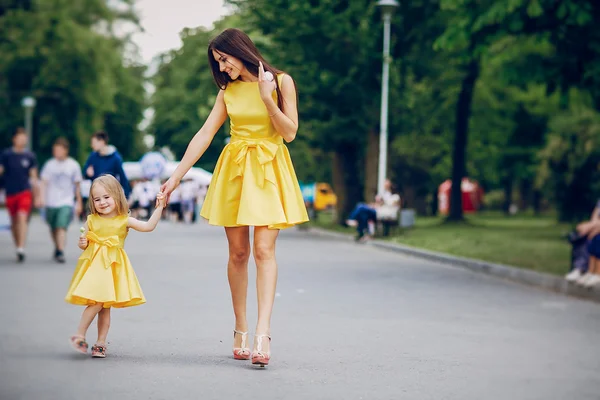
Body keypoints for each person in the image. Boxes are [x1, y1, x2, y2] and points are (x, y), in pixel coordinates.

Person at [160, 28, 308, 367]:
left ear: (240, 51)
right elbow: (205, 133)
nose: (223, 68)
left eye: (224, 59)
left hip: (270, 168)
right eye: (218, 63)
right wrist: (175, 178)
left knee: (263, 249)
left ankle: (262, 332)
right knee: (239, 252)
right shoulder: (227, 91)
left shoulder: (282, 81)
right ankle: (240, 327)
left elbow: (289, 133)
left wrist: (268, 97)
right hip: (237, 170)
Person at [65, 175, 165, 358]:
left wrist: (159, 208)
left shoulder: (124, 220)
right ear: (92, 202)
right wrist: (82, 242)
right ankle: (80, 334)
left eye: (106, 197)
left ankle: (101, 342)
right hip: (95, 267)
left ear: (117, 196)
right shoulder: (91, 220)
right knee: (97, 302)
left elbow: (148, 226)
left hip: (112, 267)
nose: (102, 202)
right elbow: (84, 244)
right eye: (97, 199)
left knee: (105, 306)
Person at [39, 137, 83, 263]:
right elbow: (43, 182)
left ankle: (60, 250)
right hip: (50, 201)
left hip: (66, 201)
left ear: (65, 150)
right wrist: (41, 197)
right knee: (53, 227)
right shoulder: (49, 165)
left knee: (61, 226)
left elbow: (77, 186)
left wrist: (78, 202)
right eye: (55, 150)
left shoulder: (73, 165)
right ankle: (57, 247)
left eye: (59, 150)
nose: (56, 152)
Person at [0, 128, 40, 262]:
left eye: (25, 137)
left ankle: (21, 248)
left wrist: (37, 194)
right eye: (20, 137)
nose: (23, 140)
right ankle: (17, 245)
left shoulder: (30, 156)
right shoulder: (6, 155)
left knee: (22, 217)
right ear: (14, 138)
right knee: (13, 221)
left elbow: (34, 176)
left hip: (25, 191)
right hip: (10, 192)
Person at [82, 131, 131, 198]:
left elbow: (122, 177)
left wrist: (126, 195)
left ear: (102, 141)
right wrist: (87, 172)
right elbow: (85, 172)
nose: (92, 145)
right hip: (96, 193)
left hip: (110, 193)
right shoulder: (92, 156)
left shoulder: (115, 158)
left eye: (94, 143)